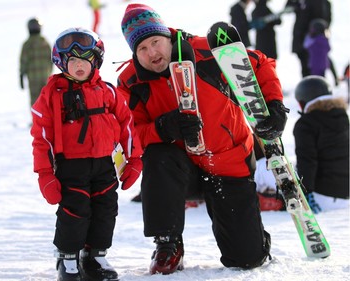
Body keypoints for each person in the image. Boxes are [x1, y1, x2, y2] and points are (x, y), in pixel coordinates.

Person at [117, 3, 289, 275]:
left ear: (167, 36)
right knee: (157, 155)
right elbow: (127, 134)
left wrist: (275, 105)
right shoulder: (131, 81)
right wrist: (162, 128)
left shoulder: (206, 52)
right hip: (181, 169)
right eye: (142, 49)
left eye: (155, 42)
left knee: (246, 259)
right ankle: (167, 243)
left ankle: (254, 239)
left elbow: (261, 64)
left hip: (229, 163)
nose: (152, 53)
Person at [30, 27, 143, 281]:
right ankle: (68, 258)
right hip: (72, 166)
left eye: (85, 60)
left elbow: (127, 124)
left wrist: (134, 158)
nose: (79, 66)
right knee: (75, 209)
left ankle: (95, 256)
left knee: (105, 209)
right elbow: (42, 138)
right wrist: (45, 174)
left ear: (95, 61)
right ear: (62, 63)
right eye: (73, 61)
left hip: (105, 164)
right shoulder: (52, 95)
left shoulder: (108, 91)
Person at [293, 75, 349, 213]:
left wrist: (306, 192)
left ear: (302, 102)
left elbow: (307, 159)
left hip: (323, 196)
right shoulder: (342, 116)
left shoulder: (306, 124)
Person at [286, 0, 338, 80]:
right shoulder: (301, 2)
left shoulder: (324, 3)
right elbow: (288, 8)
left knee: (318, 65)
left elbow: (325, 20)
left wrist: (316, 31)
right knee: (305, 65)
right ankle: (308, 87)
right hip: (301, 39)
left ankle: (320, 86)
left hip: (315, 40)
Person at [19, 18, 52, 107]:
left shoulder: (27, 44)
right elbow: (51, 58)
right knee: (46, 98)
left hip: (33, 78)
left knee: (35, 99)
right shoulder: (44, 42)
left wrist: (21, 74)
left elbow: (23, 61)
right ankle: (46, 119)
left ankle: (36, 119)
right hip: (45, 76)